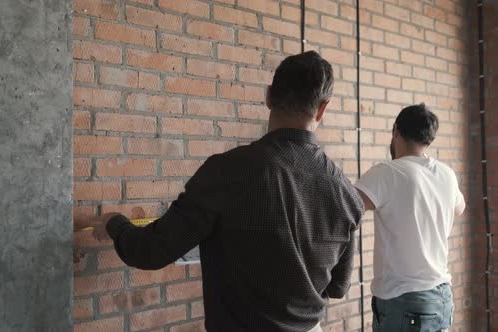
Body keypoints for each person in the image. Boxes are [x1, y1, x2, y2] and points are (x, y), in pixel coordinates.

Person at [77, 51, 363, 332]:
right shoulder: (346, 193)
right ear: (323, 108)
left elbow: (151, 251)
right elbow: (338, 286)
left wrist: (115, 224)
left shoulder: (229, 171)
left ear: (269, 97)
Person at [355, 104, 465, 332]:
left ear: (396, 131)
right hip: (441, 297)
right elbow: (459, 208)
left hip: (405, 301)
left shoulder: (388, 172)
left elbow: (346, 207)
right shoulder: (446, 174)